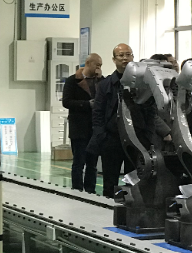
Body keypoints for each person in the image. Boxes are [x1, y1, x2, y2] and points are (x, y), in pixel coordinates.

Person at [88, 44, 155, 198]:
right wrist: (101, 136)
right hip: (112, 139)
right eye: (121, 55)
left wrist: (148, 136)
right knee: (110, 181)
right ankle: (107, 207)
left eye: (128, 54)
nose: (125, 58)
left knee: (135, 180)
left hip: (137, 139)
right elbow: (98, 112)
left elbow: (151, 111)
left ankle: (132, 208)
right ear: (114, 59)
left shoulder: (143, 84)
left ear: (133, 57)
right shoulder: (106, 84)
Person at [62, 53, 102, 193]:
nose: (99, 68)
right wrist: (86, 104)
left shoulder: (101, 82)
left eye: (100, 66)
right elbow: (67, 102)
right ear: (88, 63)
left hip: (95, 129)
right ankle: (77, 190)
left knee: (92, 164)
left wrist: (100, 80)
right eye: (97, 65)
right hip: (79, 128)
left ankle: (90, 190)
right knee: (78, 162)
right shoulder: (72, 81)